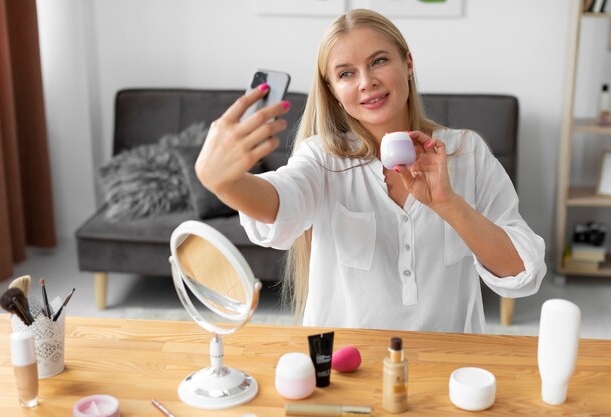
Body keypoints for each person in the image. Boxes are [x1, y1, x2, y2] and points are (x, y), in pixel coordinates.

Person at [195, 9, 546, 333]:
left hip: (449, 363)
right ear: (332, 91)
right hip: (345, 363)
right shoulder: (322, 158)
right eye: (346, 73)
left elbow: (522, 274)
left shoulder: (466, 152)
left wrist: (449, 204)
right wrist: (225, 182)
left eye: (378, 61)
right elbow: (278, 201)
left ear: (408, 63)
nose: (366, 81)